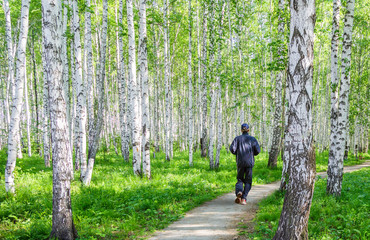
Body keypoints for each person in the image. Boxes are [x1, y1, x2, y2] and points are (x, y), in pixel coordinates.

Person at [230, 123, 260, 205]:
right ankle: (243, 199)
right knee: (248, 181)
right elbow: (257, 151)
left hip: (240, 162)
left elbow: (232, 149)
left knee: (239, 179)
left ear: (241, 130)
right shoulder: (253, 139)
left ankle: (239, 191)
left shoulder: (237, 139)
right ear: (248, 130)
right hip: (249, 163)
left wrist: (238, 153)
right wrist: (251, 153)